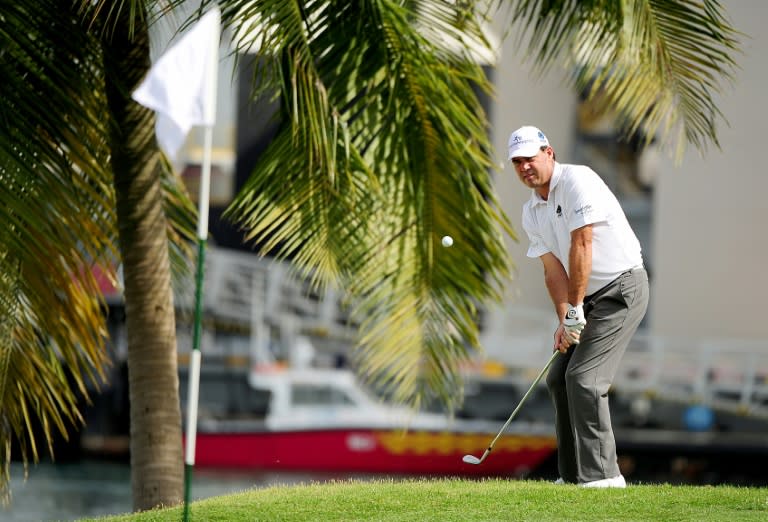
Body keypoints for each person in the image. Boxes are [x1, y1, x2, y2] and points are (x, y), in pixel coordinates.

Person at [507, 125, 649, 488]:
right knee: (558, 378)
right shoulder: (532, 210)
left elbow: (582, 245)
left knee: (584, 379)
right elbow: (553, 270)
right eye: (517, 162)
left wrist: (574, 313)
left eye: (530, 158)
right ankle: (573, 476)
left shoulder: (577, 181)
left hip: (621, 290)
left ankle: (605, 477)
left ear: (549, 152)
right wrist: (564, 319)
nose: (525, 167)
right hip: (585, 299)